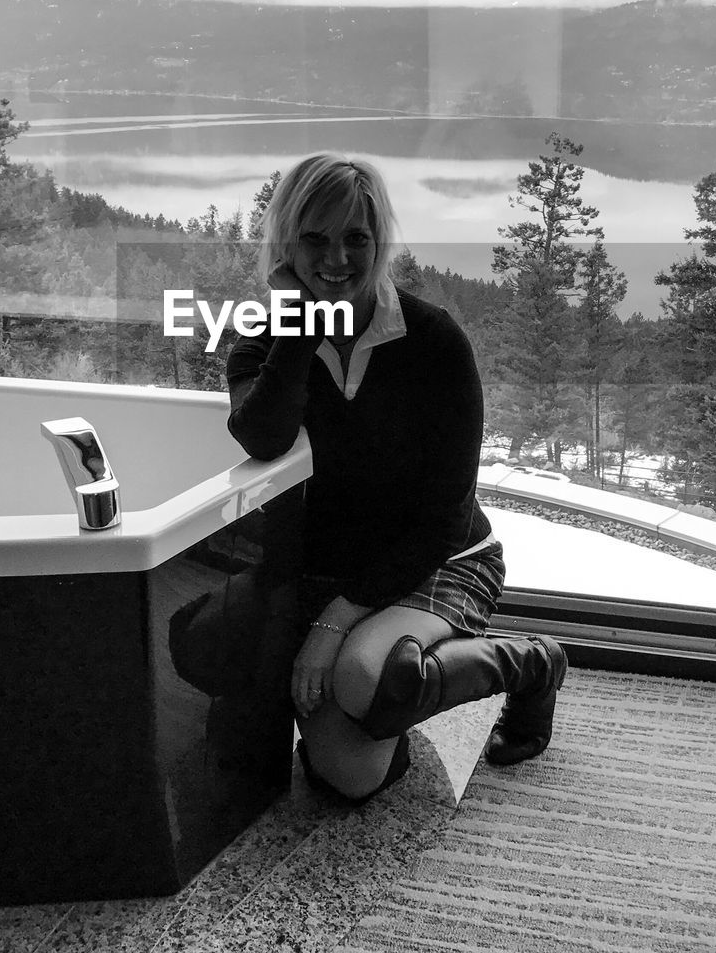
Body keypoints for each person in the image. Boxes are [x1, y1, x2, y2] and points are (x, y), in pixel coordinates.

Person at [224, 153, 567, 804]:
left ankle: (529, 666)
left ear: (381, 242)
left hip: (440, 558)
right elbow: (264, 437)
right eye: (315, 238)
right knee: (347, 777)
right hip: (327, 570)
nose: (337, 259)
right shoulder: (263, 341)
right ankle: (380, 705)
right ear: (285, 245)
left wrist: (332, 625)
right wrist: (300, 321)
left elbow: (443, 516)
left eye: (357, 238)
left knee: (357, 673)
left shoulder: (435, 343)